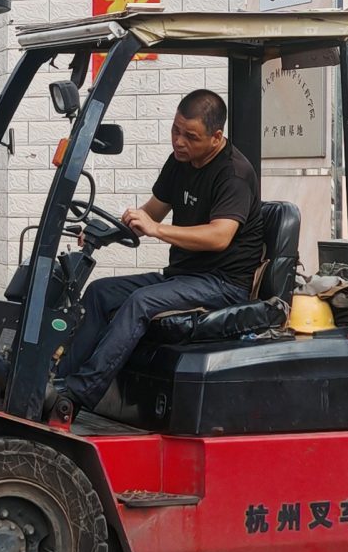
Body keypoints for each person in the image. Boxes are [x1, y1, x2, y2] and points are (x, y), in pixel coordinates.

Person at [48, 89, 265, 420]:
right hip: (183, 277)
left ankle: (78, 394)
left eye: (190, 136)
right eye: (176, 130)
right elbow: (152, 213)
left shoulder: (233, 173)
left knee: (141, 302)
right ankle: (56, 382)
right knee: (100, 292)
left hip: (223, 285)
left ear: (216, 137)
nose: (179, 141)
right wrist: (104, 232)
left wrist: (156, 229)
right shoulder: (180, 161)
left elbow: (219, 236)